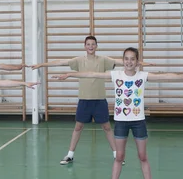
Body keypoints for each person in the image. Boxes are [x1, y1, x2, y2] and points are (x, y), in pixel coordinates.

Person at [53, 47, 183, 179]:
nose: (129, 62)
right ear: (123, 61)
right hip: (121, 122)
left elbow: (166, 76)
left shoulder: (143, 76)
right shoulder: (116, 75)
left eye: (132, 59)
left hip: (138, 121)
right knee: (119, 157)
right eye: (126, 59)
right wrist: (70, 74)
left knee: (143, 156)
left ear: (137, 62)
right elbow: (92, 74)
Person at [32, 35, 152, 165]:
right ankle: (70, 155)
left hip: (100, 100)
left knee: (106, 127)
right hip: (84, 100)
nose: (90, 46)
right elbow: (61, 62)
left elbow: (121, 61)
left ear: (96, 46)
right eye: (88, 44)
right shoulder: (79, 60)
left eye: (93, 44)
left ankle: (117, 155)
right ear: (85, 46)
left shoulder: (103, 60)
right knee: (78, 127)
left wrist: (140, 63)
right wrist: (42, 64)